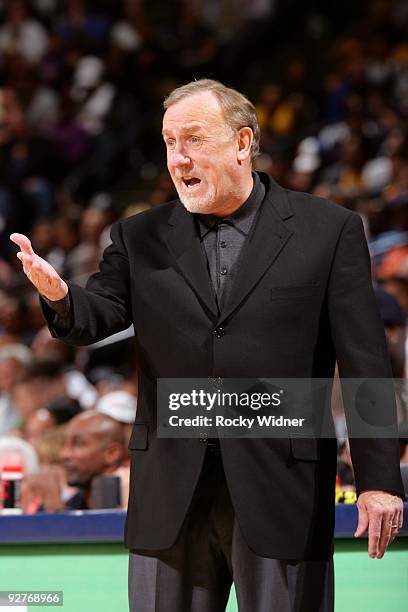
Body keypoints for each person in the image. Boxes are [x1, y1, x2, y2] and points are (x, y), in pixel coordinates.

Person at [10, 79, 404, 612]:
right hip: (170, 489)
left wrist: (379, 481)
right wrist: (60, 297)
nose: (178, 158)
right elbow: (97, 314)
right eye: (170, 142)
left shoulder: (327, 230)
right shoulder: (138, 236)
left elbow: (365, 362)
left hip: (282, 484)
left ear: (243, 143)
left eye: (193, 139)